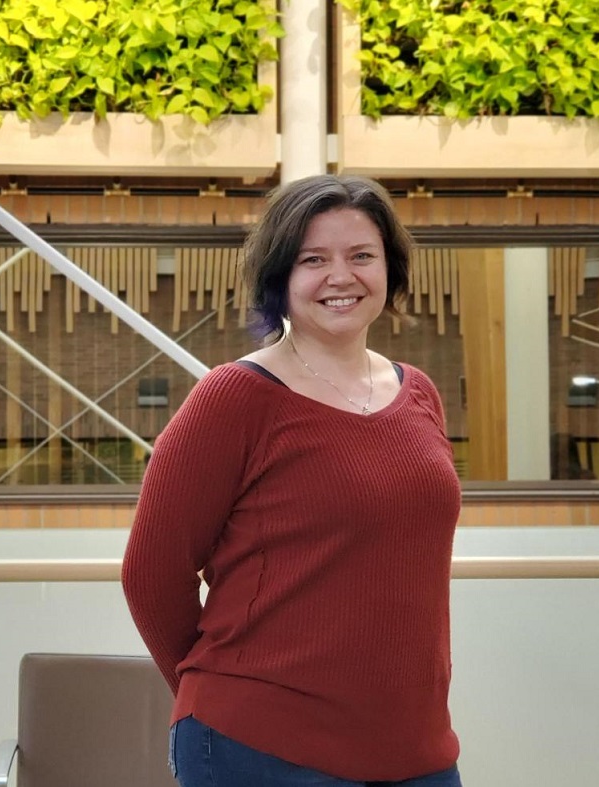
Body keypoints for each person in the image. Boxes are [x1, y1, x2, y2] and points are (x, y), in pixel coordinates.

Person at [121, 174, 463, 787]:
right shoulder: (235, 397)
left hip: (417, 748)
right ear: (280, 277)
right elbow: (152, 572)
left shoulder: (419, 394)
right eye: (314, 259)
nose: (341, 276)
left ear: (390, 269)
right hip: (261, 747)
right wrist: (222, 697)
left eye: (362, 255)